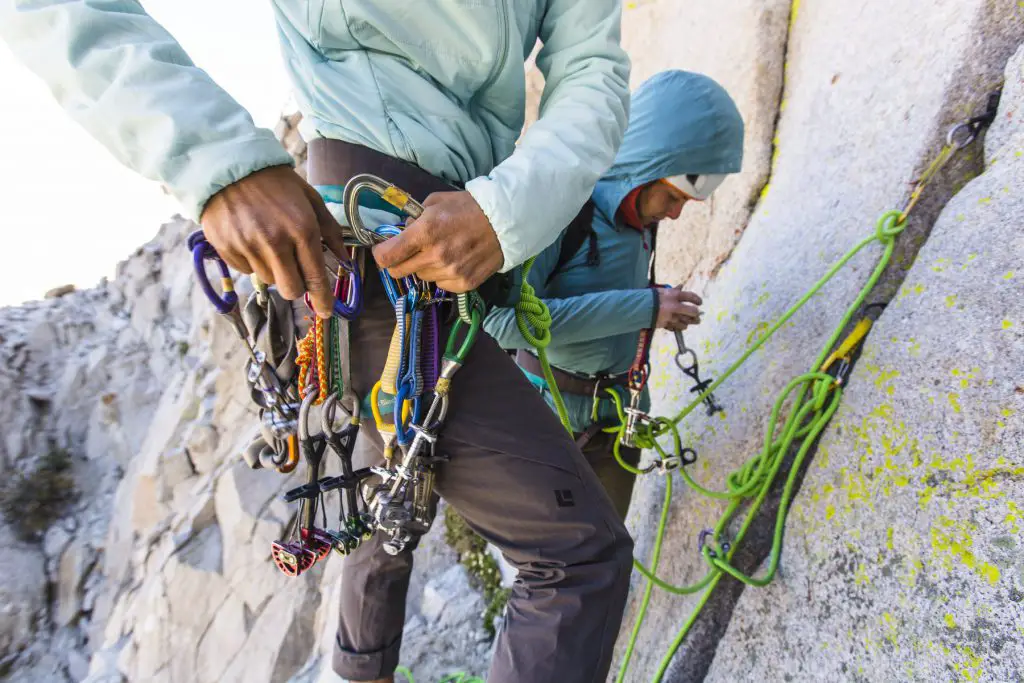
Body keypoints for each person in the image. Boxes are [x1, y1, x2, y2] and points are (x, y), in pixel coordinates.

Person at [1, 3, 636, 683]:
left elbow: (594, 71)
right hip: (367, 259)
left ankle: (355, 670)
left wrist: (505, 210)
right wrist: (213, 157)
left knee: (390, 502)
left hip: (437, 264)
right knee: (575, 557)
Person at [485, 70, 745, 520]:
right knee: (563, 569)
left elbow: (600, 291)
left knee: (608, 562)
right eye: (672, 198)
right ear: (647, 170)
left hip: (619, 418)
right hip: (549, 423)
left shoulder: (641, 222)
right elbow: (504, 324)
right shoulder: (563, 209)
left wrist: (649, 299)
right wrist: (643, 308)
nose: (677, 215)